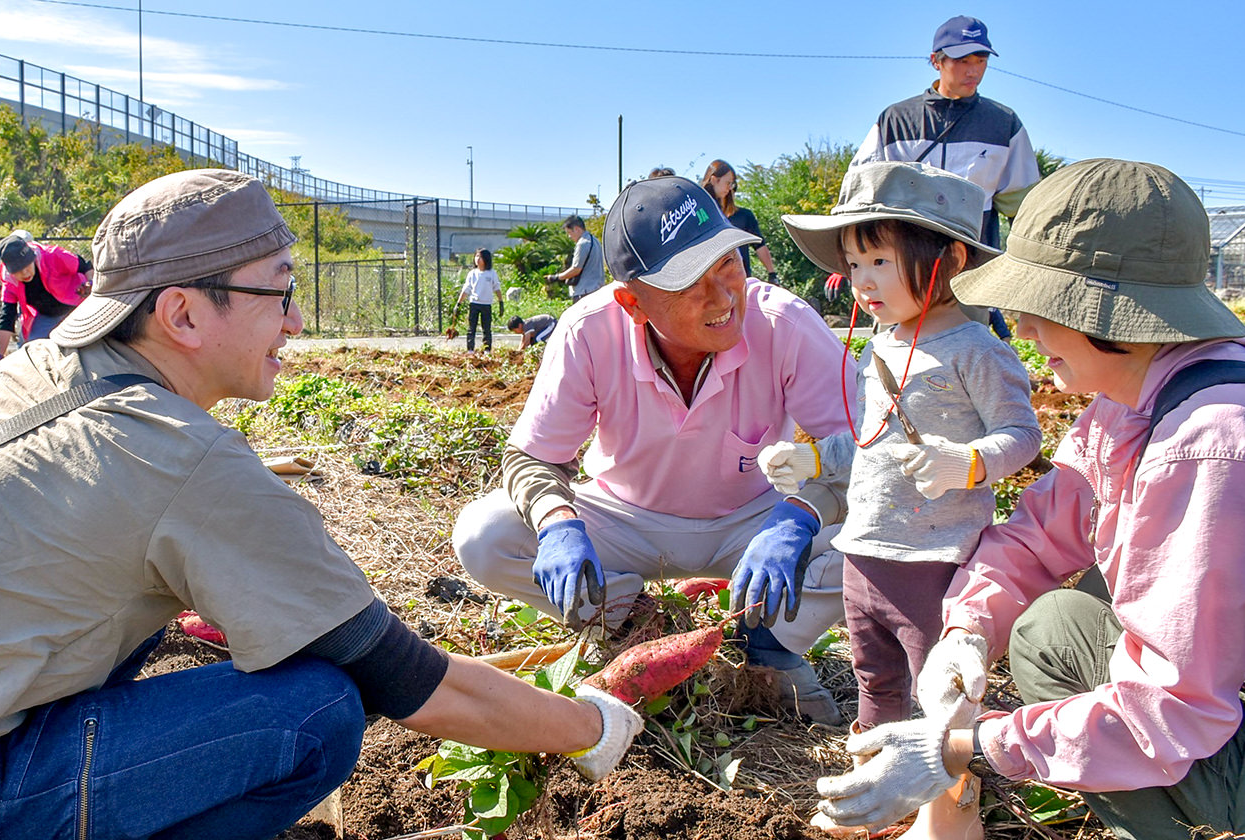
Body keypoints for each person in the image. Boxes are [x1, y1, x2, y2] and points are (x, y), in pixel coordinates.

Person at [0, 169, 642, 839]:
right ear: (182, 313)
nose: (296, 321)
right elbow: (405, 678)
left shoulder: (29, 369)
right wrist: (592, 726)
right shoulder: (185, 458)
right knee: (315, 708)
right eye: (280, 290)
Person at [813, 158, 1245, 840]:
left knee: (1074, 645)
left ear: (1113, 315)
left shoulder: (1209, 444)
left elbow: (1178, 707)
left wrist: (961, 748)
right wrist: (966, 631)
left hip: (1204, 713)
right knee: (1054, 629)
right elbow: (1041, 529)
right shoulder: (1130, 403)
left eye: (1043, 308)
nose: (1026, 328)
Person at [454, 175, 857, 725]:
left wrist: (800, 518)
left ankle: (770, 640)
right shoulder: (590, 331)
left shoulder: (784, 323)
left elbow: (864, 449)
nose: (722, 297)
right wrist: (557, 525)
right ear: (633, 302)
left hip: (754, 525)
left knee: (891, 522)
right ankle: (627, 623)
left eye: (727, 264)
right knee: (485, 536)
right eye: (689, 282)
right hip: (626, 521)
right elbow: (531, 457)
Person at [766, 161, 1041, 838]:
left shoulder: (977, 349)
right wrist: (812, 459)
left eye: (880, 261)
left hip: (935, 559)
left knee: (938, 692)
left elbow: (1024, 436)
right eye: (854, 263)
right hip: (865, 550)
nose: (861, 280)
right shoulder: (879, 344)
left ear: (947, 259)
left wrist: (970, 462)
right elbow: (868, 439)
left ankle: (949, 810)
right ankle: (876, 792)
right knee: (874, 677)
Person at [850, 16, 1039, 340]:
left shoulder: (1003, 124)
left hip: (968, 273)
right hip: (898, 268)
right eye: (963, 60)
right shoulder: (896, 120)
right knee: (891, 361)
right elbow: (863, 194)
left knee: (965, 361)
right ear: (937, 60)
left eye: (980, 61)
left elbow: (1023, 206)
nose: (973, 70)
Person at [0, 233, 93, 362]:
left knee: (86, 348)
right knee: (33, 352)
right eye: (17, 269)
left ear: (32, 257)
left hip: (77, 308)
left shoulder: (52, 255)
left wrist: (91, 283)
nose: (24, 272)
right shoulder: (9, 279)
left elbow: (86, 266)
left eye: (26, 264)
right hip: (47, 315)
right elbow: (7, 316)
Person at [701, 159, 779, 285]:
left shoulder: (743, 216)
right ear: (714, 180)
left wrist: (772, 274)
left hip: (739, 282)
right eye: (728, 183)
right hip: (711, 283)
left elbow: (760, 245)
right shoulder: (701, 214)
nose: (730, 188)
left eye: (732, 184)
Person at [544, 215, 605, 300]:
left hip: (584, 292)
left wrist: (556, 277)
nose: (569, 236)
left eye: (569, 233)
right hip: (597, 290)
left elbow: (576, 269)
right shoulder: (595, 241)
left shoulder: (582, 244)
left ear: (577, 229)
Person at [455, 248, 503, 351]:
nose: (477, 259)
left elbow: (497, 288)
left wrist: (501, 302)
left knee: (486, 329)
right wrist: (458, 304)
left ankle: (487, 350)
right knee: (471, 328)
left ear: (486, 259)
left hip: (486, 304)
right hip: (474, 303)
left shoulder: (491, 273)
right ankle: (470, 350)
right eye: (476, 256)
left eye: (480, 257)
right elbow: (466, 289)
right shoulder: (472, 273)